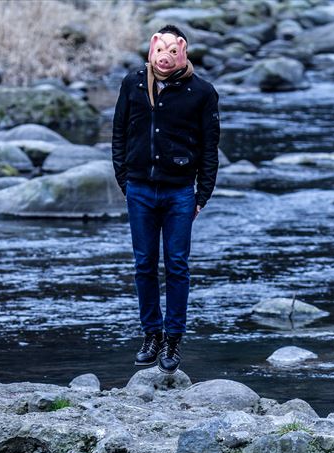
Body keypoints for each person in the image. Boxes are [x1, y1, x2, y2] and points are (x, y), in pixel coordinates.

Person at [112, 25, 220, 373]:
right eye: (160, 51)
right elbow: (119, 132)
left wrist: (202, 194)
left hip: (179, 192)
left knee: (176, 265)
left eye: (172, 52)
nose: (164, 59)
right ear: (152, 49)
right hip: (140, 189)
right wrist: (124, 180)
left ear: (182, 51)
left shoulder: (202, 92)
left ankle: (173, 340)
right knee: (144, 264)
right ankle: (151, 334)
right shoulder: (132, 83)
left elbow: (210, 148)